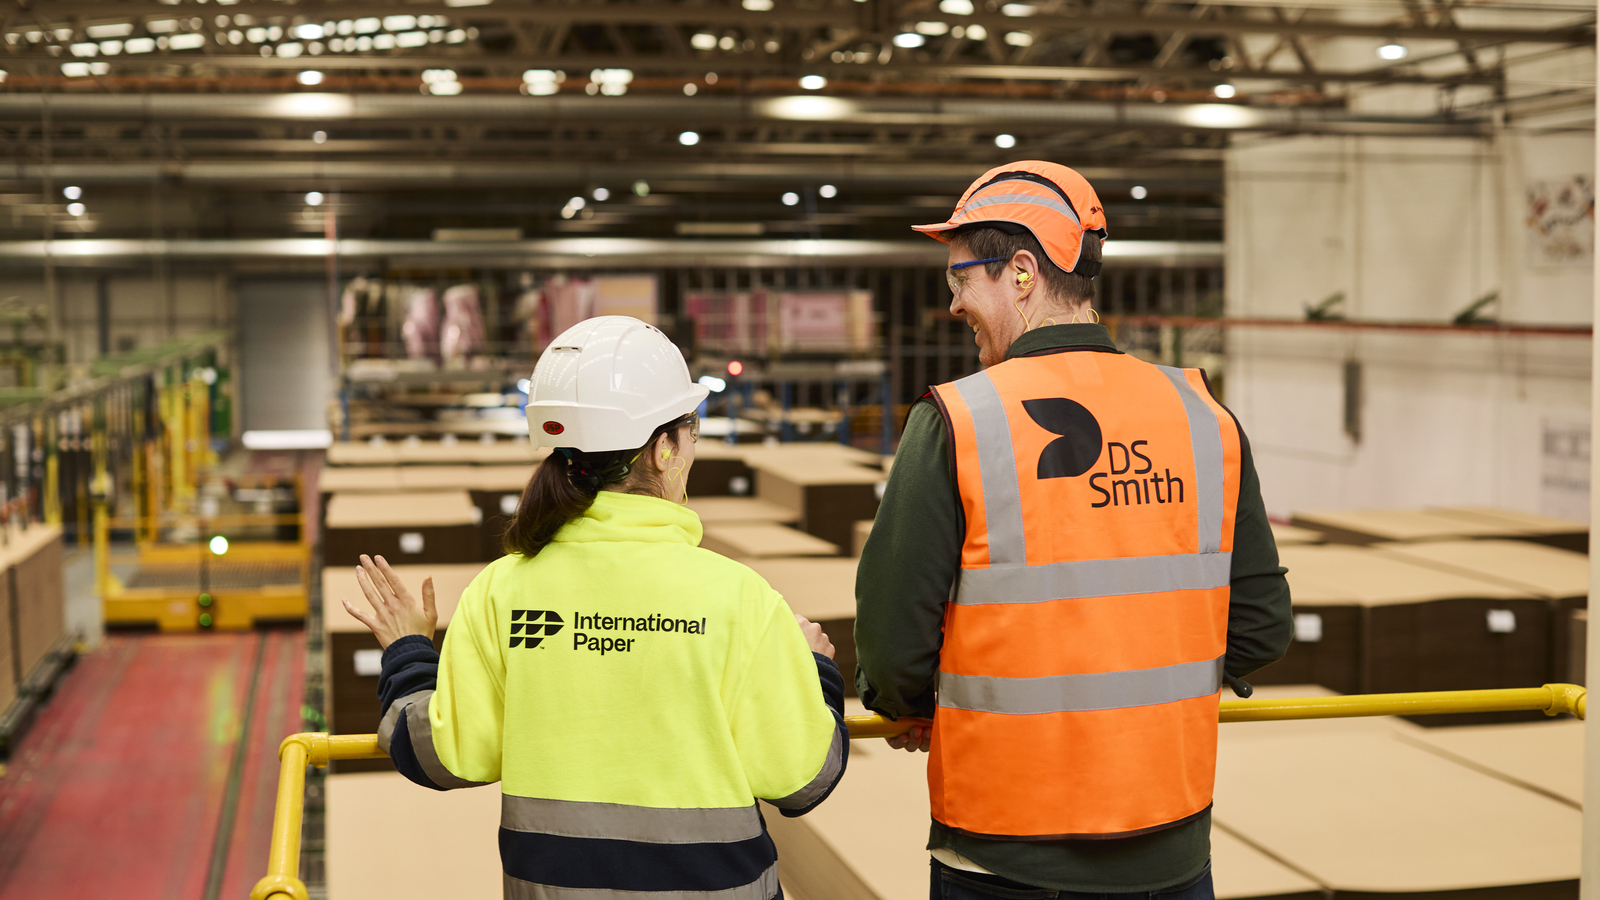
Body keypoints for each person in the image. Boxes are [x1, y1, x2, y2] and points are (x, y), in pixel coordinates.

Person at [854, 161, 1293, 900]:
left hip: (1005, 853)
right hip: (1172, 847)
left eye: (961, 280)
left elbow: (896, 648)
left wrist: (906, 705)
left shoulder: (961, 421)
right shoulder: (1203, 421)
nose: (955, 304)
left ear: (1021, 272)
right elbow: (1259, 629)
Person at [342, 315, 849, 900]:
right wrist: (815, 672)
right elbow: (801, 779)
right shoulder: (739, 598)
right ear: (663, 449)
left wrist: (409, 653)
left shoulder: (501, 591)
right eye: (691, 431)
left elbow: (443, 757)